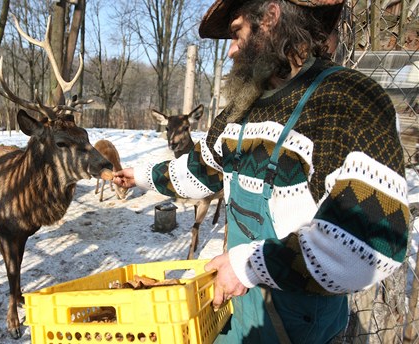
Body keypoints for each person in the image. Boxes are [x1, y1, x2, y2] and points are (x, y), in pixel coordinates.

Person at [113, 0, 410, 342]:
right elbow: (202, 172)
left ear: (270, 17)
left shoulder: (344, 100)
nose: (230, 51)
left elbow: (372, 242)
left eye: (237, 32)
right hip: (238, 308)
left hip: (300, 327)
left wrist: (249, 266)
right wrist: (137, 175)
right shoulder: (240, 110)